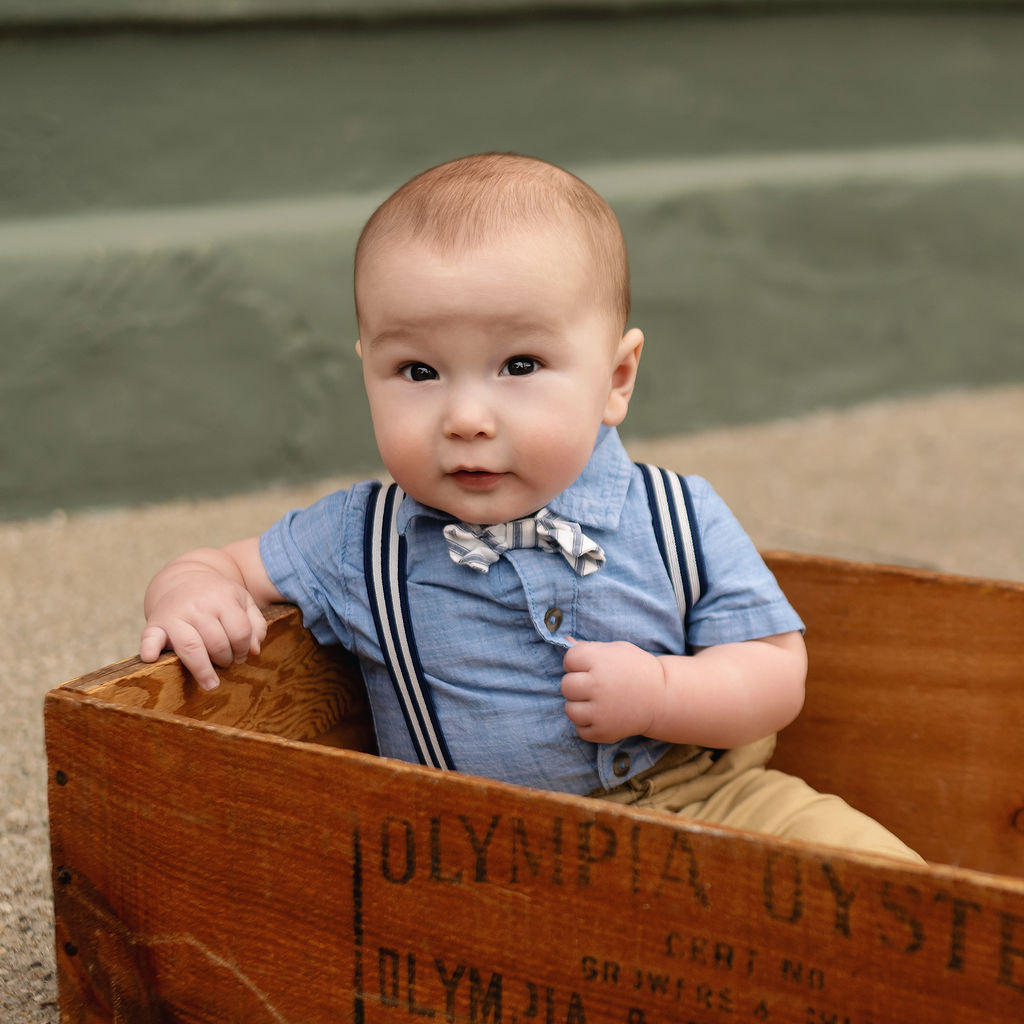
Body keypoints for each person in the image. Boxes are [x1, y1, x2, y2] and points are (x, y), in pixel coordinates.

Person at [140, 152, 922, 862]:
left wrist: (660, 693)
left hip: (707, 801)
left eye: (520, 364)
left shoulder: (678, 514)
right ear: (366, 371)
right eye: (417, 371)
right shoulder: (358, 539)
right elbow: (222, 566)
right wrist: (192, 592)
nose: (466, 416)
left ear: (616, 378)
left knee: (877, 877)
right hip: (479, 849)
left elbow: (776, 675)